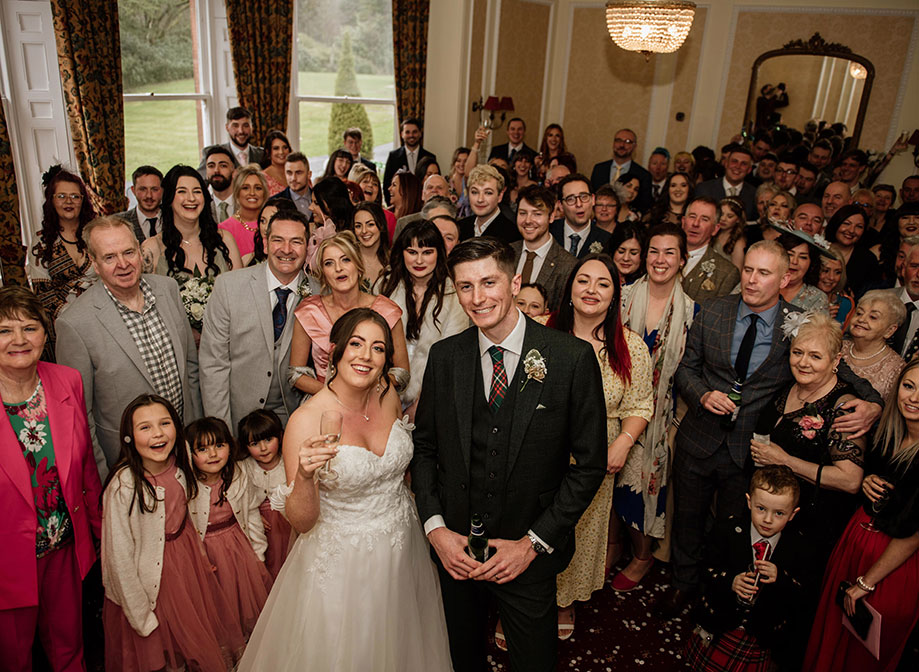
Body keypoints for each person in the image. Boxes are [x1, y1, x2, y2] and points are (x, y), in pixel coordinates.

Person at [410, 237, 607, 672]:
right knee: (461, 657)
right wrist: (436, 530)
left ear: (515, 281)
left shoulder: (570, 359)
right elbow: (423, 448)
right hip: (456, 551)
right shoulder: (446, 357)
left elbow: (590, 465)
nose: (477, 299)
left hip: (526, 553)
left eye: (488, 282)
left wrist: (533, 544)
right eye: (465, 287)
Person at [659, 241, 882, 620]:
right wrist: (703, 394)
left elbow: (838, 369)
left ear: (785, 278)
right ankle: (682, 584)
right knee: (687, 520)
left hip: (750, 449)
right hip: (698, 438)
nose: (752, 279)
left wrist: (874, 402)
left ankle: (724, 594)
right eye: (748, 270)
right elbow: (685, 370)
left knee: (736, 531)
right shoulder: (712, 311)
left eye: (764, 273)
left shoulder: (798, 324)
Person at [239, 308, 453, 669]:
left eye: (378, 347)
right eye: (356, 343)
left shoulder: (387, 394)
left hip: (403, 544)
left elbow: (396, 472)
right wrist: (306, 478)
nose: (366, 356)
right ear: (335, 350)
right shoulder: (305, 422)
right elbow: (302, 523)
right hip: (343, 562)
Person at [542, 253, 653, 634]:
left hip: (596, 457)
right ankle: (521, 603)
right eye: (583, 280)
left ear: (615, 296)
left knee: (580, 530)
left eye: (603, 283)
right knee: (531, 525)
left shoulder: (631, 347)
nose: (592, 290)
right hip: (539, 449)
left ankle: (565, 601)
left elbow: (640, 403)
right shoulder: (541, 330)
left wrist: (623, 442)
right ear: (569, 289)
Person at [0, 287, 103, 672]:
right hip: (5, 558)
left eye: (29, 328)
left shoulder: (66, 380)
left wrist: (99, 530)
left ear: (45, 334)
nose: (19, 340)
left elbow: (86, 465)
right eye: (5, 330)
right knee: (14, 658)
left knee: (70, 651)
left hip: (62, 544)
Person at [101, 395, 243, 671]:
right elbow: (118, 558)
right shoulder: (124, 487)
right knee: (160, 651)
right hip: (149, 584)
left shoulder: (182, 465)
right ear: (128, 437)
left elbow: (190, 516)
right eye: (145, 427)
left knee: (194, 641)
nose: (157, 433)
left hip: (186, 567)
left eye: (164, 423)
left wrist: (201, 557)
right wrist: (140, 615)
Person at [55, 216, 202, 476]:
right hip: (129, 462)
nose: (122, 264)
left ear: (140, 251)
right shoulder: (74, 323)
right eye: (109, 257)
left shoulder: (167, 290)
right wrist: (105, 476)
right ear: (94, 263)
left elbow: (191, 368)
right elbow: (80, 415)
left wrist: (196, 434)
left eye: (128, 252)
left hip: (184, 446)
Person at [803, 359, 919, 672]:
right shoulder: (889, 432)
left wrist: (867, 583)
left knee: (861, 652)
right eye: (909, 386)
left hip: (891, 566)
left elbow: (913, 535)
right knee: (832, 634)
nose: (914, 397)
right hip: (856, 541)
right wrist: (867, 478)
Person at [752, 311, 866, 563]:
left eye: (815, 356)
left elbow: (850, 480)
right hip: (772, 515)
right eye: (798, 352)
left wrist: (785, 460)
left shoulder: (844, 407)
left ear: (836, 360)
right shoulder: (789, 386)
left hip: (810, 525)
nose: (803, 363)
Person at [618, 224, 696, 584]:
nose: (659, 259)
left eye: (669, 253)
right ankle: (610, 547)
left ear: (682, 260)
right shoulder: (622, 298)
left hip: (664, 417)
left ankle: (642, 555)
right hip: (617, 404)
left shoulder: (693, 313)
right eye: (653, 251)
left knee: (644, 483)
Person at [685, 467, 816, 672]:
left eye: (779, 513)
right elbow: (705, 568)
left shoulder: (797, 545)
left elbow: (804, 592)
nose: (768, 519)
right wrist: (731, 581)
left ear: (793, 514)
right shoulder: (727, 530)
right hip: (719, 622)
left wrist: (780, 577)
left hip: (761, 632)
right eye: (761, 508)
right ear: (749, 502)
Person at [199, 209, 310, 430]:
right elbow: (213, 366)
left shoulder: (319, 293)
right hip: (239, 418)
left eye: (296, 242)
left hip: (297, 421)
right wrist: (223, 433)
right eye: (278, 240)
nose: (287, 250)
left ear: (307, 247)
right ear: (266, 244)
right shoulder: (228, 287)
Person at [289, 231, 409, 397]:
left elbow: (401, 373)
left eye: (346, 259)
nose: (338, 268)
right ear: (323, 273)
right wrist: (336, 395)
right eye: (329, 263)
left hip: (374, 402)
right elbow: (295, 375)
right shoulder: (309, 312)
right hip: (325, 404)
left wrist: (367, 390)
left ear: (358, 266)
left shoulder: (386, 311)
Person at [187, 417, 272, 639]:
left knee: (243, 601)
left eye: (219, 445)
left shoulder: (238, 476)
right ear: (189, 454)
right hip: (208, 553)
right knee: (216, 603)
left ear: (230, 446)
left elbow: (252, 513)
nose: (213, 454)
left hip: (238, 551)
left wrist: (258, 553)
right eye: (202, 449)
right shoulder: (187, 485)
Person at [379, 220, 468, 414]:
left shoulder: (454, 294)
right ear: (402, 253)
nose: (419, 261)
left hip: (434, 396)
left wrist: (420, 405)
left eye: (427, 252)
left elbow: (450, 361)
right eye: (412, 252)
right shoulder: (384, 286)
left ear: (439, 253)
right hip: (383, 390)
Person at [30, 166, 98, 360]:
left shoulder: (95, 234)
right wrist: (73, 318)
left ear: (83, 201)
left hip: (102, 318)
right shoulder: (42, 243)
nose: (69, 201)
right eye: (61, 196)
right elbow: (43, 293)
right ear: (51, 200)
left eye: (75, 196)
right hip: (61, 326)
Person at [237, 408, 292, 580]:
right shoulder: (244, 467)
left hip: (288, 526)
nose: (263, 448)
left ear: (280, 436)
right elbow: (240, 497)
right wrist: (252, 513)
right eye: (254, 444)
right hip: (259, 528)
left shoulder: (288, 463)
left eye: (269, 440)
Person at [510, 184, 577, 313]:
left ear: (551, 217)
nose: (528, 220)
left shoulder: (567, 265)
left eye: (537, 214)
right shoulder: (507, 253)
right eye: (523, 213)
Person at [841, 290, 906, 400]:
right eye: (859, 313)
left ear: (889, 330)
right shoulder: (836, 347)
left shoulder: (896, 369)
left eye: (873, 317)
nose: (861, 319)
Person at [680, 197, 740, 303]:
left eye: (704, 219)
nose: (696, 223)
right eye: (692, 216)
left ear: (715, 229)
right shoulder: (661, 256)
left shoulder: (727, 272)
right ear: (683, 222)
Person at [589, 128, 653, 212]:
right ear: (613, 144)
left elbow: (644, 205)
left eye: (627, 142)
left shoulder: (643, 175)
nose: (622, 145)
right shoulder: (599, 169)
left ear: (634, 146)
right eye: (618, 140)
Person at [218, 164, 269, 264]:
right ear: (237, 193)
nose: (252, 193)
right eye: (245, 188)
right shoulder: (223, 229)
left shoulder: (274, 224)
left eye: (258, 188)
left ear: (265, 193)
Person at [550, 173, 610, 258]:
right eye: (570, 199)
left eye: (584, 197)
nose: (579, 204)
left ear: (593, 200)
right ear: (560, 206)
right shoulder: (548, 232)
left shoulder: (607, 240)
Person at [458, 164, 519, 244]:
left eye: (488, 193)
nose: (480, 199)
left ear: (500, 196)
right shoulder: (460, 227)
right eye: (475, 192)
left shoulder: (512, 234)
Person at [826, 204, 878, 297]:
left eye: (859, 226)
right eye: (846, 223)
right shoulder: (819, 249)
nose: (851, 230)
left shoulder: (868, 260)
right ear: (836, 223)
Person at [695, 146, 757, 221]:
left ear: (749, 170)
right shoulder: (704, 189)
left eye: (743, 164)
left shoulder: (754, 194)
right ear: (726, 164)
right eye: (734, 161)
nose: (738, 166)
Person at [383, 117, 436, 203]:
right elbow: (387, 184)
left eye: (414, 132)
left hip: (423, 204)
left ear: (420, 133)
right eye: (407, 132)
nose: (411, 135)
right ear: (402, 134)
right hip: (401, 204)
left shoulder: (430, 157)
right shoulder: (393, 157)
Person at [776, 230, 830, 312]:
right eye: (790, 254)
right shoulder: (765, 285)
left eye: (803, 257)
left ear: (811, 263)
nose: (794, 261)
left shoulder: (817, 298)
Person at [198, 106, 265, 172]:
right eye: (235, 126)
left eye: (245, 126)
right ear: (227, 127)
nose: (241, 131)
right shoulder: (212, 154)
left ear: (252, 127)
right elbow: (199, 180)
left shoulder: (262, 154)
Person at [116, 165, 165, 241]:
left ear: (163, 190)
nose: (149, 195)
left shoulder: (176, 220)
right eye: (143, 189)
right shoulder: (118, 223)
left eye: (154, 189)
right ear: (133, 190)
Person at [352, 201, 391, 290]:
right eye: (358, 226)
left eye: (370, 224)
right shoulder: (348, 258)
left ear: (381, 225)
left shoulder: (393, 259)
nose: (364, 231)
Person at [819, 247, 855, 327]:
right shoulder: (800, 296)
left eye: (837, 272)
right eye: (825, 270)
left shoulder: (846, 304)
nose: (831, 277)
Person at [607, 221, 649, 286]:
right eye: (621, 251)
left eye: (633, 253)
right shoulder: (600, 277)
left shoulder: (647, 284)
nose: (626, 258)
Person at [713, 196, 746, 269]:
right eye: (721, 214)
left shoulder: (738, 243)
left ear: (738, 220)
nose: (723, 219)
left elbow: (737, 274)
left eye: (730, 216)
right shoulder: (712, 234)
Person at [277, 152, 313, 218]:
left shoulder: (321, 199)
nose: (293, 178)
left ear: (309, 175)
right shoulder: (275, 202)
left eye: (298, 173)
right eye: (289, 173)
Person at [259, 130, 292, 196]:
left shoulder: (297, 172)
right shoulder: (261, 178)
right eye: (276, 148)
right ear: (268, 152)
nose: (281, 152)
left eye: (285, 147)